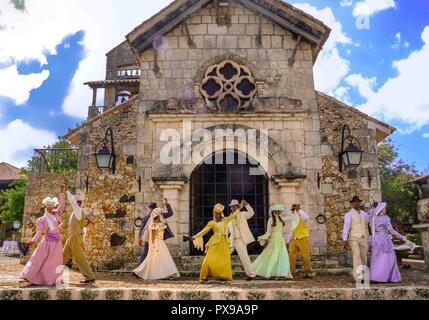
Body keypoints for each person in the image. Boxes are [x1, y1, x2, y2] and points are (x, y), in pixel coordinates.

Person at [20, 185, 66, 286]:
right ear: (45, 206)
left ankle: (53, 279)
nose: (50, 207)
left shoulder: (57, 213)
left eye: (51, 205)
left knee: (54, 262)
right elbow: (39, 232)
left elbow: (62, 205)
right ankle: (28, 276)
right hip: (47, 242)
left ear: (53, 205)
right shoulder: (42, 219)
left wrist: (62, 193)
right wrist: (32, 240)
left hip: (57, 242)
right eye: (48, 205)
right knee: (37, 258)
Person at [192, 203, 239, 282]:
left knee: (224, 260)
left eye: (218, 213)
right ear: (213, 213)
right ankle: (204, 276)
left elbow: (234, 216)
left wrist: (239, 208)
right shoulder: (211, 223)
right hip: (215, 242)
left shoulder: (225, 220)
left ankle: (223, 277)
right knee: (209, 259)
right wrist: (196, 236)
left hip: (224, 242)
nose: (217, 215)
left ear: (221, 214)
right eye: (215, 213)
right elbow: (204, 231)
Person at [369, 202, 414, 283]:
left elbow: (373, 232)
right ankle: (388, 277)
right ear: (381, 210)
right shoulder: (385, 218)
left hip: (376, 240)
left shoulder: (373, 218)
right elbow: (392, 231)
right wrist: (404, 238)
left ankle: (377, 277)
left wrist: (372, 241)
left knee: (378, 258)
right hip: (385, 240)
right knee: (390, 258)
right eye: (385, 208)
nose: (386, 210)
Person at [133, 208, 180, 280]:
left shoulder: (160, 224)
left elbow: (169, 215)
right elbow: (153, 235)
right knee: (155, 257)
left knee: (163, 257)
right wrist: (152, 244)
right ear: (158, 216)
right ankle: (151, 272)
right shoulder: (154, 225)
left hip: (161, 242)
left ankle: (165, 273)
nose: (161, 216)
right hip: (156, 242)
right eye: (160, 215)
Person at [63, 189, 96, 284]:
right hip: (72, 238)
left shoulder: (77, 210)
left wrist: (66, 191)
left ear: (78, 202)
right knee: (63, 256)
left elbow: (72, 201)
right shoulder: (77, 212)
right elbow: (82, 227)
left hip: (74, 238)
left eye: (75, 202)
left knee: (79, 258)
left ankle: (90, 277)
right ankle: (53, 275)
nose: (72, 203)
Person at [252, 204, 293, 279]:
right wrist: (264, 238)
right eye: (277, 211)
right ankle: (267, 272)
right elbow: (268, 232)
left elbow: (290, 218)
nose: (279, 212)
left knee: (282, 255)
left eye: (279, 211)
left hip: (280, 239)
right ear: (274, 211)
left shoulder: (280, 218)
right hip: (274, 239)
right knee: (273, 255)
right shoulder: (270, 220)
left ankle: (282, 272)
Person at [227, 199, 257, 281]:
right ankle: (222, 273)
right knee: (225, 255)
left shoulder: (243, 214)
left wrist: (246, 205)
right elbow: (227, 230)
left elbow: (251, 213)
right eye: (231, 207)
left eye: (234, 206)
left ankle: (252, 274)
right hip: (231, 240)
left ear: (237, 206)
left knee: (244, 257)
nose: (232, 208)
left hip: (240, 239)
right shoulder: (230, 217)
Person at [138, 200, 174, 264]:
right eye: (151, 208)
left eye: (153, 208)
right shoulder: (146, 218)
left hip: (158, 239)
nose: (152, 210)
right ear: (150, 209)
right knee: (145, 253)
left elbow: (170, 213)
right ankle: (140, 268)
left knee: (158, 254)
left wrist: (166, 203)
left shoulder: (161, 215)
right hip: (148, 238)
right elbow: (142, 228)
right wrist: (139, 237)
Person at [342, 196, 370, 280]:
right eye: (355, 202)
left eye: (358, 202)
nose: (357, 203)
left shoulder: (364, 214)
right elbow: (346, 226)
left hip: (364, 237)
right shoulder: (348, 214)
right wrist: (344, 238)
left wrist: (370, 236)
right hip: (353, 237)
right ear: (352, 203)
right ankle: (357, 276)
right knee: (356, 255)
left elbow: (367, 225)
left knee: (364, 256)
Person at [288, 204, 316, 278]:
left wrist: (299, 210)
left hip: (303, 237)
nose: (293, 211)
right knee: (291, 256)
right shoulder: (293, 219)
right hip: (295, 239)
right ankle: (292, 272)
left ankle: (309, 273)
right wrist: (288, 241)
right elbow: (292, 231)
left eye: (294, 210)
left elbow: (306, 217)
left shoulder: (302, 216)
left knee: (305, 256)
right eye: (293, 210)